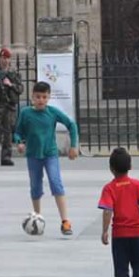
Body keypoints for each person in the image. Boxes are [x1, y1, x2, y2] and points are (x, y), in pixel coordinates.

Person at [13, 80, 80, 236]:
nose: (41, 100)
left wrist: (74, 146)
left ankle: (65, 221)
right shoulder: (25, 113)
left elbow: (71, 125)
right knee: (35, 188)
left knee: (56, 183)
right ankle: (37, 217)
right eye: (38, 97)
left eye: (44, 97)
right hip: (33, 155)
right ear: (32, 97)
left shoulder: (52, 112)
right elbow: (18, 132)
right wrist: (19, 142)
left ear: (49, 97)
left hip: (50, 154)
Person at [99, 148, 139, 277]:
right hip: (137, 233)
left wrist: (104, 230)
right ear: (130, 167)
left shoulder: (109, 188)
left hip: (120, 235)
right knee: (138, 264)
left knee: (121, 268)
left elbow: (107, 210)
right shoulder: (137, 185)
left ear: (111, 169)